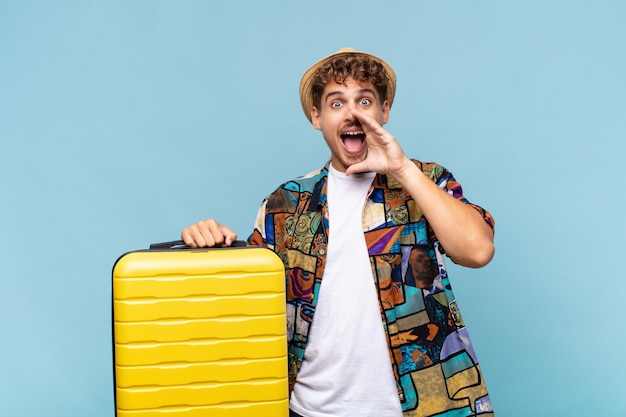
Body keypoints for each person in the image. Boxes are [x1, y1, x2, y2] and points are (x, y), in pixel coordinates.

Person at [181, 48, 496, 417]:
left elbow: (477, 251)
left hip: (422, 407)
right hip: (310, 410)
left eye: (365, 100)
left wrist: (402, 169)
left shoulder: (426, 181)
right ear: (317, 116)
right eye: (336, 103)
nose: (352, 113)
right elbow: (245, 310)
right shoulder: (284, 203)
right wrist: (215, 246)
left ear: (384, 111)